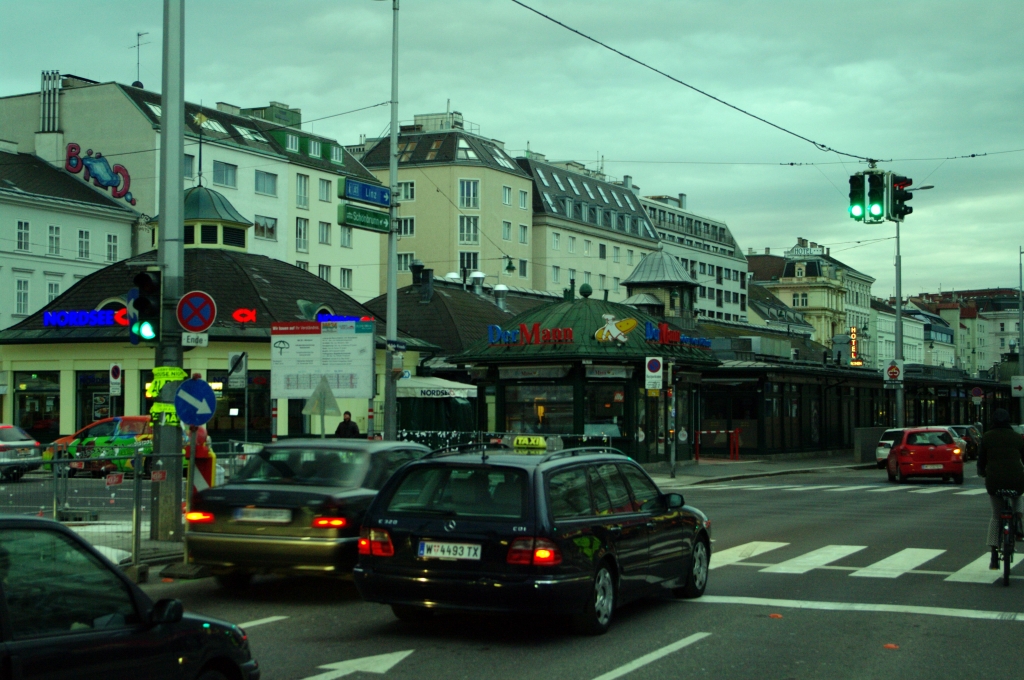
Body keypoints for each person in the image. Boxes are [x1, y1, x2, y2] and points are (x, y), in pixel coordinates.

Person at [977, 408, 1024, 569]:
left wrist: (982, 472)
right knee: (1018, 496)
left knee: (996, 516)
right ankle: (1019, 523)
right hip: (1016, 479)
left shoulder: (987, 437)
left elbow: (981, 460)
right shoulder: (1017, 437)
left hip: (994, 481)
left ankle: (994, 555)